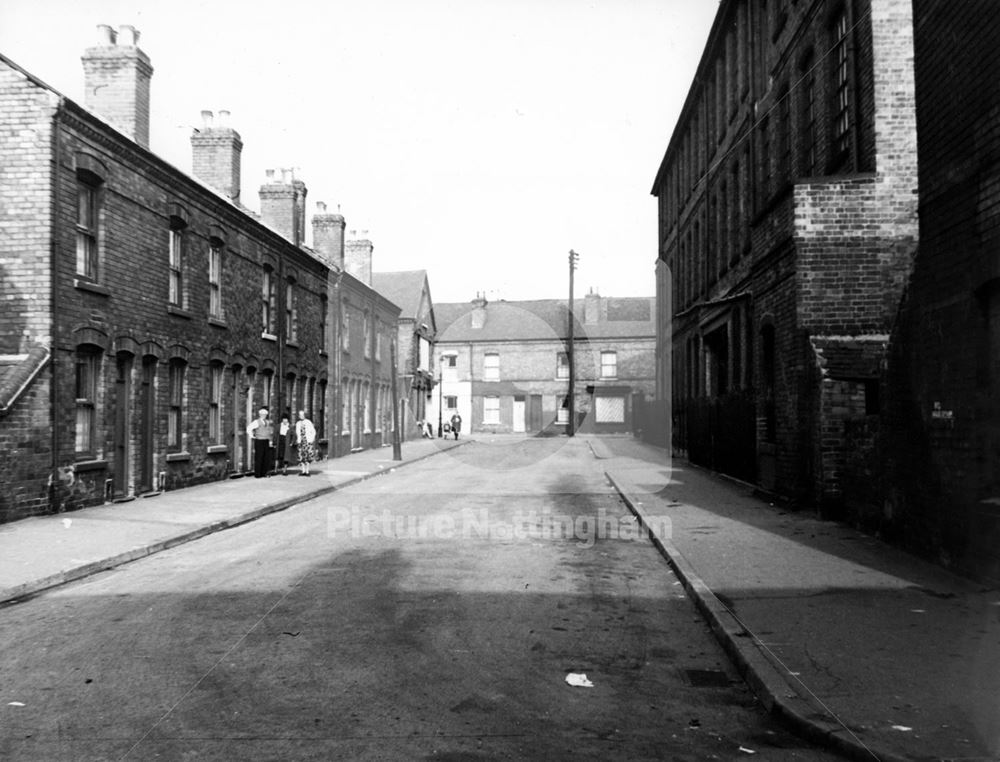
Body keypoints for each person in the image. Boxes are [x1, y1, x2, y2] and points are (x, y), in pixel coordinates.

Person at [246, 407, 273, 478]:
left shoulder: (267, 422)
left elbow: (269, 432)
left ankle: (264, 473)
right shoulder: (256, 422)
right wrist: (252, 436)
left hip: (266, 441)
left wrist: (270, 440)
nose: (264, 416)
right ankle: (258, 474)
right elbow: (249, 428)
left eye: (265, 415)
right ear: (260, 415)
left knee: (266, 457)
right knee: (259, 457)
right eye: (263, 414)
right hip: (259, 441)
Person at [295, 409, 317, 476]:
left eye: (302, 415)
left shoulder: (308, 422)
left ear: (304, 415)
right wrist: (297, 439)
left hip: (307, 441)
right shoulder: (298, 423)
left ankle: (307, 471)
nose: (301, 416)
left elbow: (313, 431)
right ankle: (303, 471)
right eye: (300, 415)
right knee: (301, 457)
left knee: (307, 457)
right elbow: (297, 433)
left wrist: (312, 439)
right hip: (301, 442)